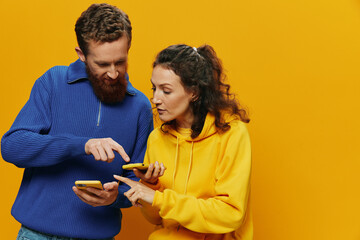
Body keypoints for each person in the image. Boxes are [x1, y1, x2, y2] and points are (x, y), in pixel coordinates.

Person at [1, 3, 153, 240]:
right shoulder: (53, 82)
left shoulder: (141, 106)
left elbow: (135, 181)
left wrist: (116, 197)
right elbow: (12, 147)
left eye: (120, 62)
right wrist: (81, 145)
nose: (113, 73)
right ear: (81, 54)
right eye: (102, 64)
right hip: (37, 235)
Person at [115, 44, 253, 239]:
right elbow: (155, 218)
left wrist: (159, 198)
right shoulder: (157, 139)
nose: (155, 99)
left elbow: (230, 214)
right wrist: (151, 185)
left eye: (166, 91)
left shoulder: (232, 134)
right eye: (154, 88)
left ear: (194, 92)